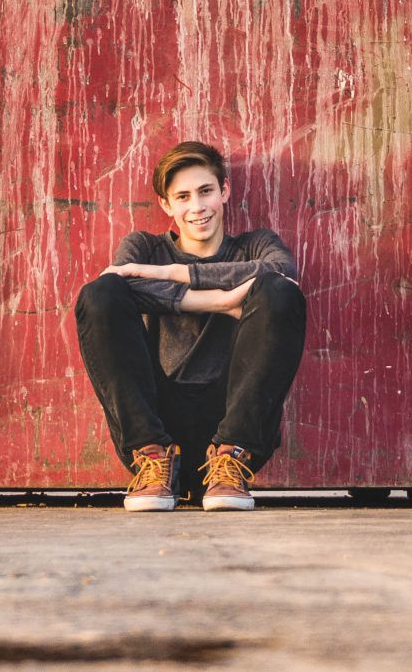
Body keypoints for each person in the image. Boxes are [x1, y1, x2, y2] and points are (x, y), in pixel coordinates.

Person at [73, 140, 307, 512]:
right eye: (182, 196)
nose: (196, 207)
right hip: (159, 429)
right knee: (101, 294)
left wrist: (174, 273)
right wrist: (220, 300)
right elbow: (114, 285)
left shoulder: (256, 245)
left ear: (224, 191)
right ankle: (150, 457)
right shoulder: (144, 248)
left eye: (205, 192)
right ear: (167, 204)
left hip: (233, 424)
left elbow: (281, 272)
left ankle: (232, 457)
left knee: (279, 292)